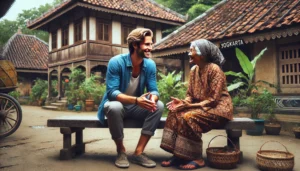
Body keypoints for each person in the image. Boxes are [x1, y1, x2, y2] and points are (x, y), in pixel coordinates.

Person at [160, 39, 233, 170]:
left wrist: (188, 106)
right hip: (200, 107)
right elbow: (190, 95)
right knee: (174, 112)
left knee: (188, 117)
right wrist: (182, 102)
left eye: (191, 50)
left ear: (202, 55)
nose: (189, 54)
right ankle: (179, 155)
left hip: (218, 110)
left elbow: (213, 100)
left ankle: (197, 158)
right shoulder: (194, 70)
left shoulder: (215, 69)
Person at [97, 28, 164, 168]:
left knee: (159, 106)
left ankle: (138, 153)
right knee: (113, 106)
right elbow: (112, 93)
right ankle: (121, 150)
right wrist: (136, 100)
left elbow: (154, 90)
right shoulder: (116, 62)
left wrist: (152, 99)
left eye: (151, 44)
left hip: (136, 107)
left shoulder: (150, 64)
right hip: (118, 106)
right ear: (135, 45)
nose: (150, 48)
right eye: (146, 44)